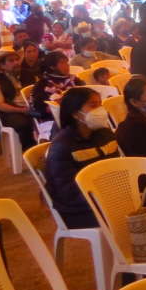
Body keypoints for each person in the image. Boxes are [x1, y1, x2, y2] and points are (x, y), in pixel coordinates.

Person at [44, 86, 119, 228]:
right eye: (93, 105)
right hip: (78, 209)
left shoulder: (105, 135)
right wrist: (104, 196)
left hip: (107, 197)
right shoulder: (62, 146)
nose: (100, 110)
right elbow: (67, 191)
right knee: (123, 215)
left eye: (100, 104)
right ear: (75, 113)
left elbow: (116, 168)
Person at [0, 48, 36, 148]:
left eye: (17, 60)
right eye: (11, 61)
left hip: (32, 107)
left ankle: (49, 148)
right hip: (11, 113)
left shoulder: (28, 74)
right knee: (23, 124)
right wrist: (21, 110)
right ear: (2, 65)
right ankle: (30, 150)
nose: (16, 63)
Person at [31, 50, 81, 127]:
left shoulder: (74, 79)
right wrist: (54, 107)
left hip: (77, 115)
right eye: (62, 63)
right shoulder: (42, 85)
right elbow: (38, 109)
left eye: (67, 62)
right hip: (54, 121)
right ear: (52, 66)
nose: (67, 65)